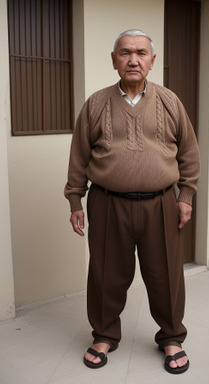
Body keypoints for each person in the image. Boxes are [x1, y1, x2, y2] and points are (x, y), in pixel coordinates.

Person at [64, 29, 200, 375]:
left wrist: (185, 196)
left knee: (166, 274)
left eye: (141, 53)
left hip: (160, 205)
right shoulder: (95, 103)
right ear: (114, 61)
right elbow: (79, 155)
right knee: (107, 273)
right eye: (125, 53)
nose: (133, 59)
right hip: (108, 203)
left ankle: (171, 337)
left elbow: (188, 152)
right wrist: (75, 200)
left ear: (152, 61)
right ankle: (104, 334)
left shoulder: (170, 101)